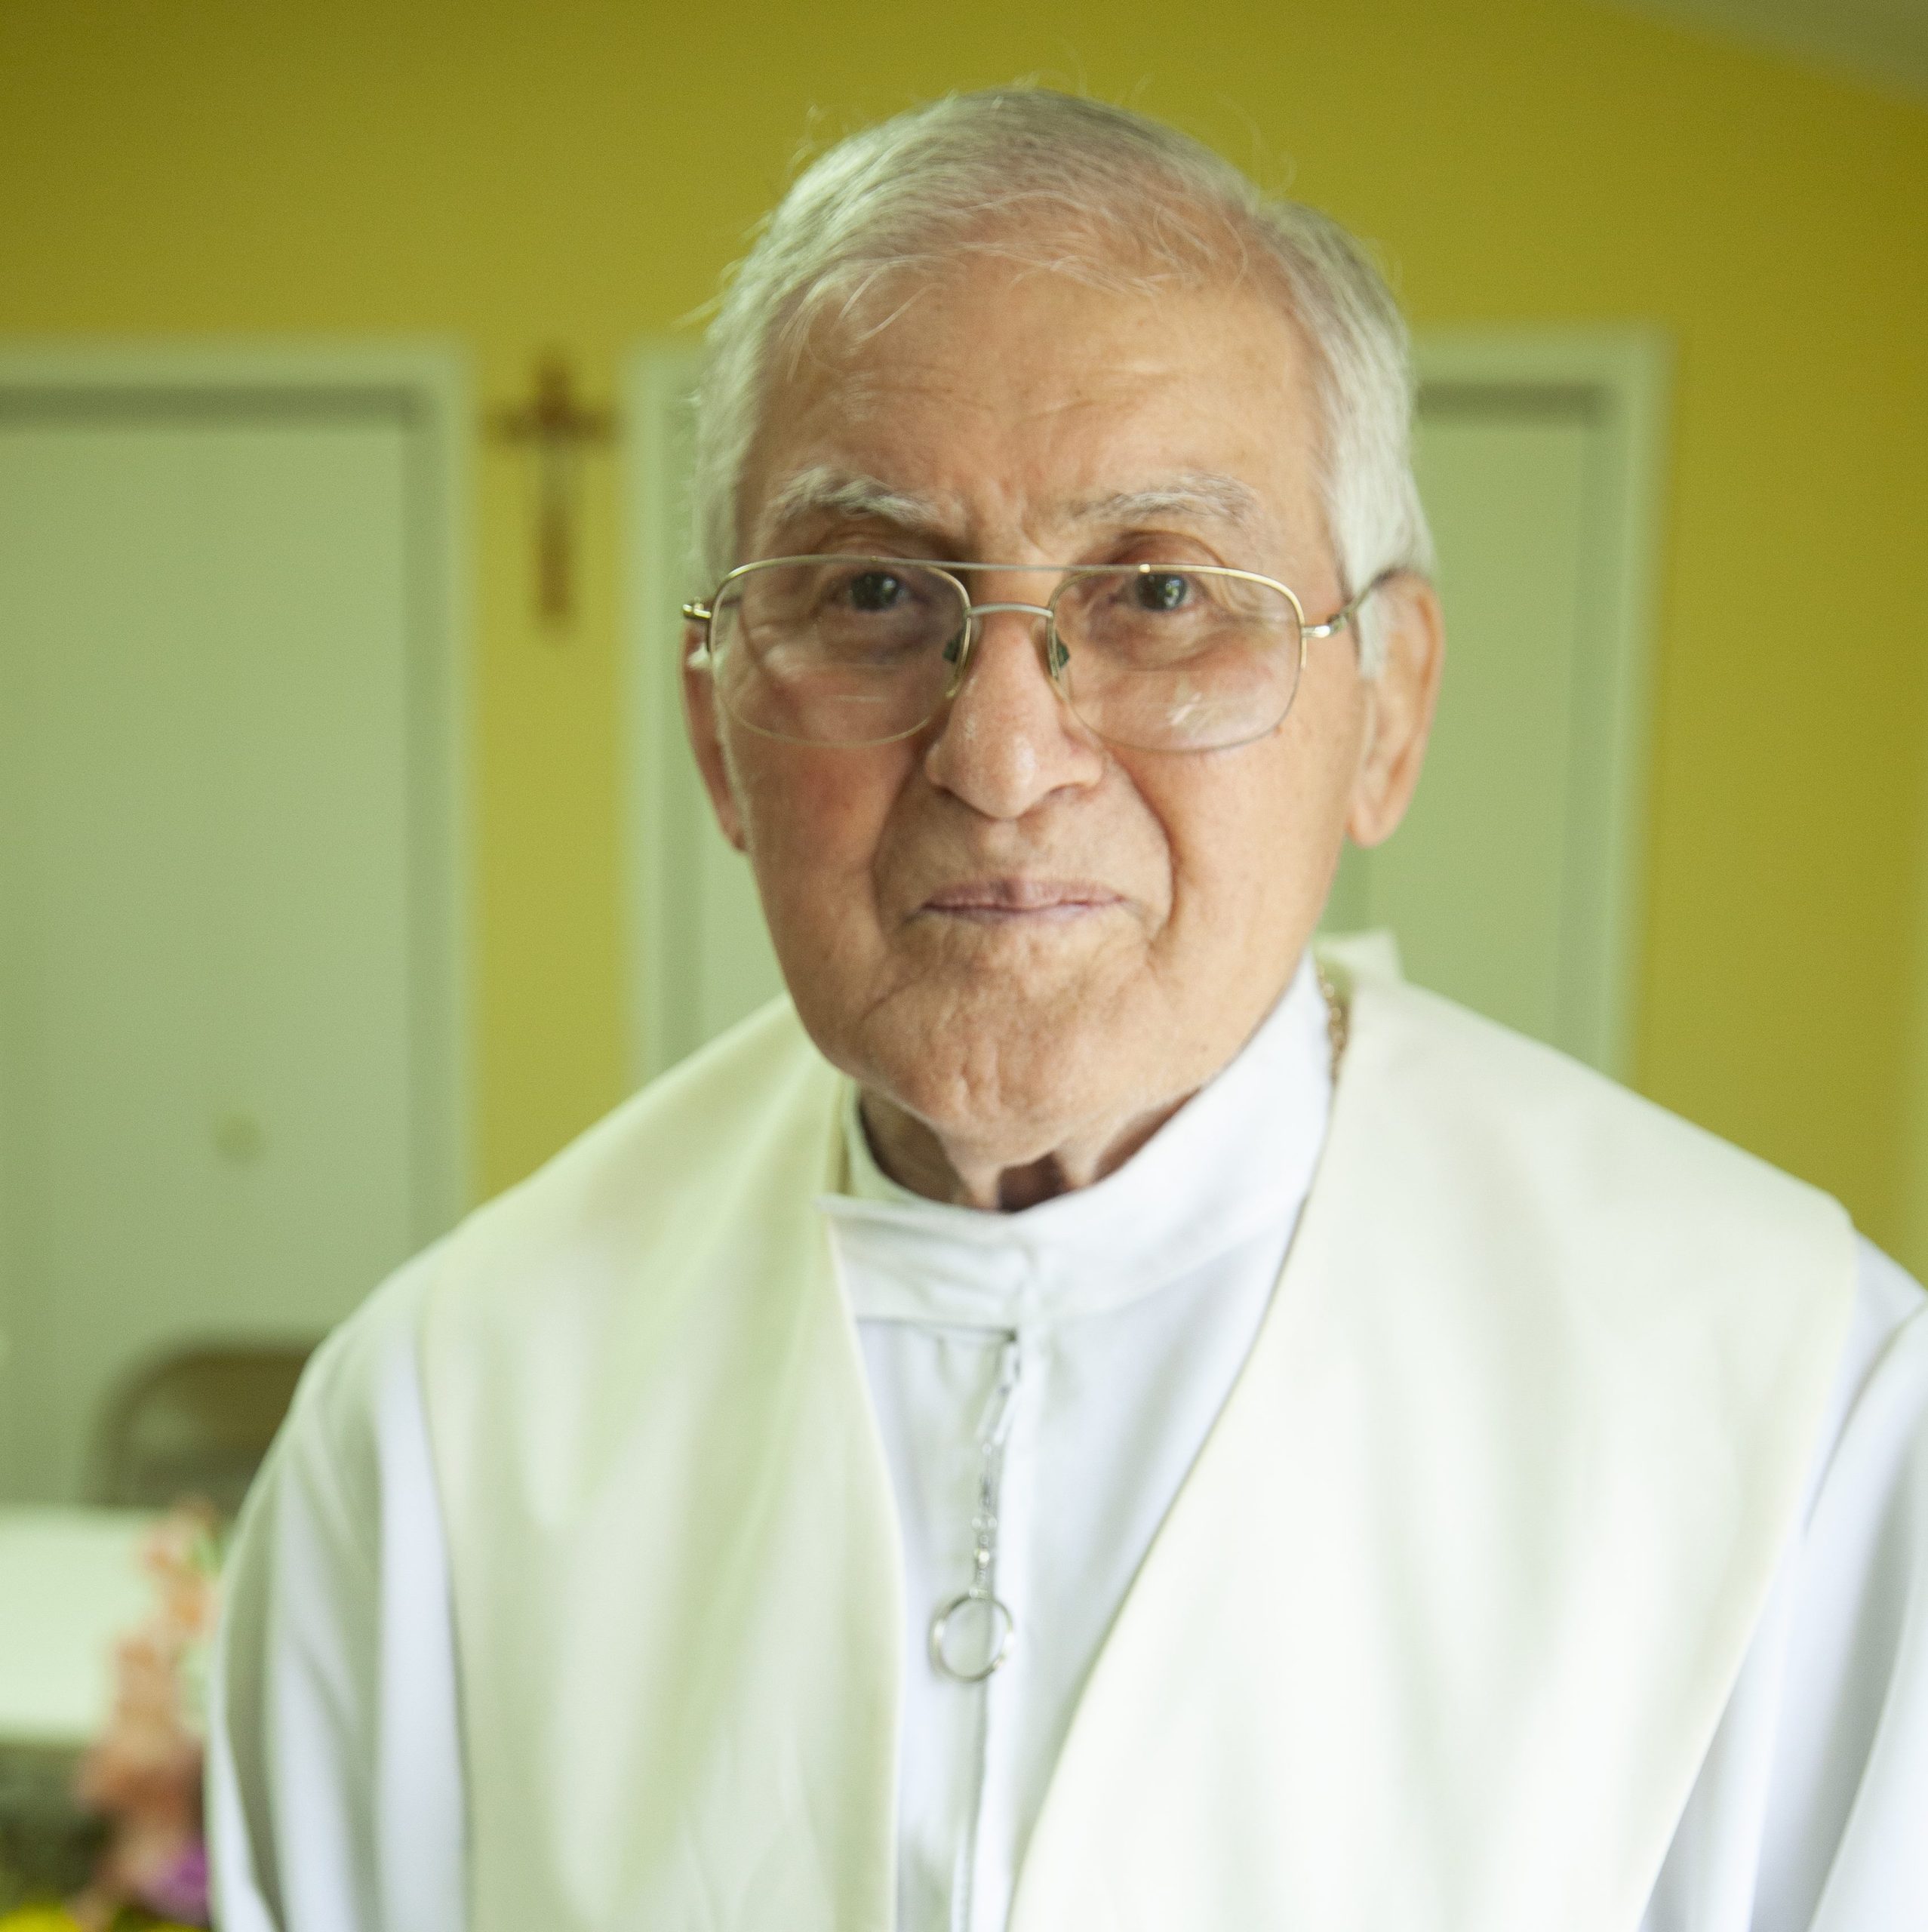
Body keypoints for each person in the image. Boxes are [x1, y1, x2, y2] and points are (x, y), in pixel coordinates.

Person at [208, 89, 1928, 1932]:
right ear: (718, 727)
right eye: (871, 589)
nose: (1008, 754)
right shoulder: (445, 1420)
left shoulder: (1795, 1415)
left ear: (1390, 709)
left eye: (1165, 592)